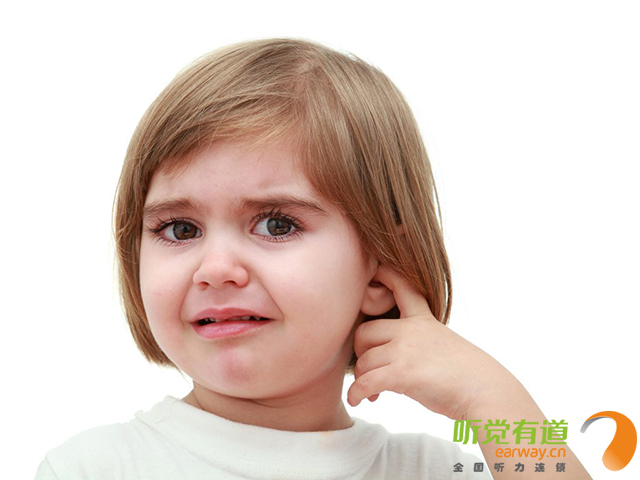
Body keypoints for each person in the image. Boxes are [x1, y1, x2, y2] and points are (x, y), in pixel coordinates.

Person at [34, 38, 591, 479]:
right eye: (180, 229)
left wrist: (497, 404)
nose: (216, 268)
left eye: (277, 224)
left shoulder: (434, 470)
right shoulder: (93, 468)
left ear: (382, 269)